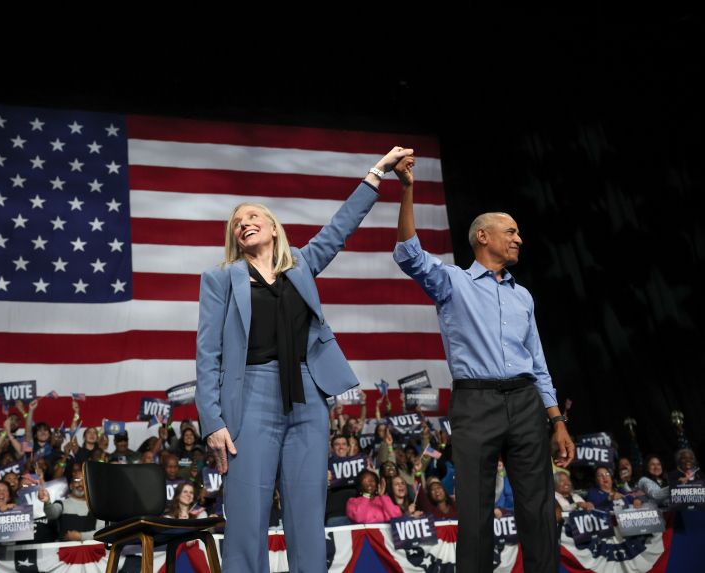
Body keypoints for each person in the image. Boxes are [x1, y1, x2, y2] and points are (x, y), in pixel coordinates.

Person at [196, 146, 413, 572]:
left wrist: (376, 173)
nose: (245, 224)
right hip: (250, 398)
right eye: (238, 223)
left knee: (307, 517)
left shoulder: (302, 265)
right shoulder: (220, 279)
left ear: (273, 228)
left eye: (253, 217)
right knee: (246, 519)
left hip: (306, 397)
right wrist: (213, 420)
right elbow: (207, 352)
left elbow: (340, 227)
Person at [392, 155, 574, 573]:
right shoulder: (452, 282)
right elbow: (407, 253)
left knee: (539, 511)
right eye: (510, 231)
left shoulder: (523, 295)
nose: (519, 239)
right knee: (475, 514)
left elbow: (539, 362)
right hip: (476, 405)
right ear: (482, 236)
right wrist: (407, 188)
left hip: (528, 403)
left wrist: (556, 420)